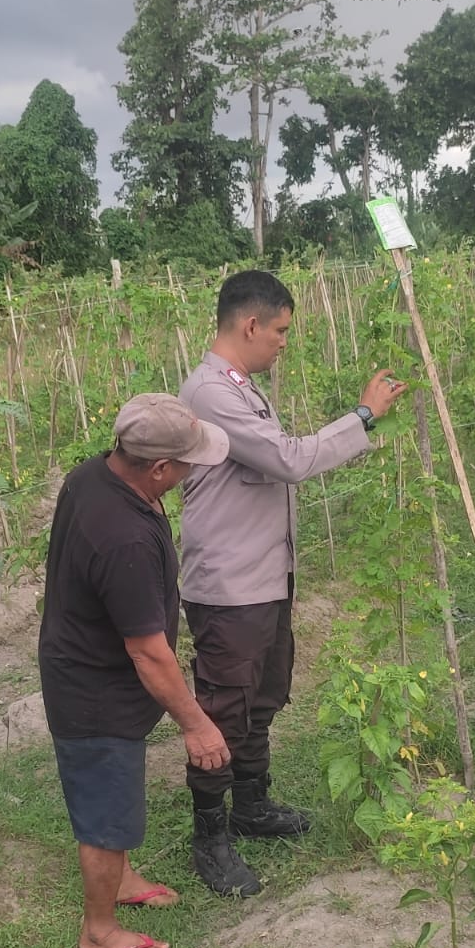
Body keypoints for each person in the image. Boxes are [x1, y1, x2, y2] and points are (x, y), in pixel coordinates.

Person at [179, 270, 408, 896]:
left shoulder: (239, 386)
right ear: (251, 324)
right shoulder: (212, 393)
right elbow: (288, 459)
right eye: (280, 330)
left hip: (263, 575)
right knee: (224, 708)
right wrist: (363, 415)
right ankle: (210, 837)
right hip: (230, 585)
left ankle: (251, 805)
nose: (284, 342)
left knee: (262, 696)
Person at [38, 393, 234, 948]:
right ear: (159, 468)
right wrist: (196, 726)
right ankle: (99, 933)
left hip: (94, 666)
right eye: (187, 462)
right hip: (94, 690)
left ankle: (121, 881)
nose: (191, 469)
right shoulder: (122, 535)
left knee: (115, 796)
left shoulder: (93, 475)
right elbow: (148, 654)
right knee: (106, 815)